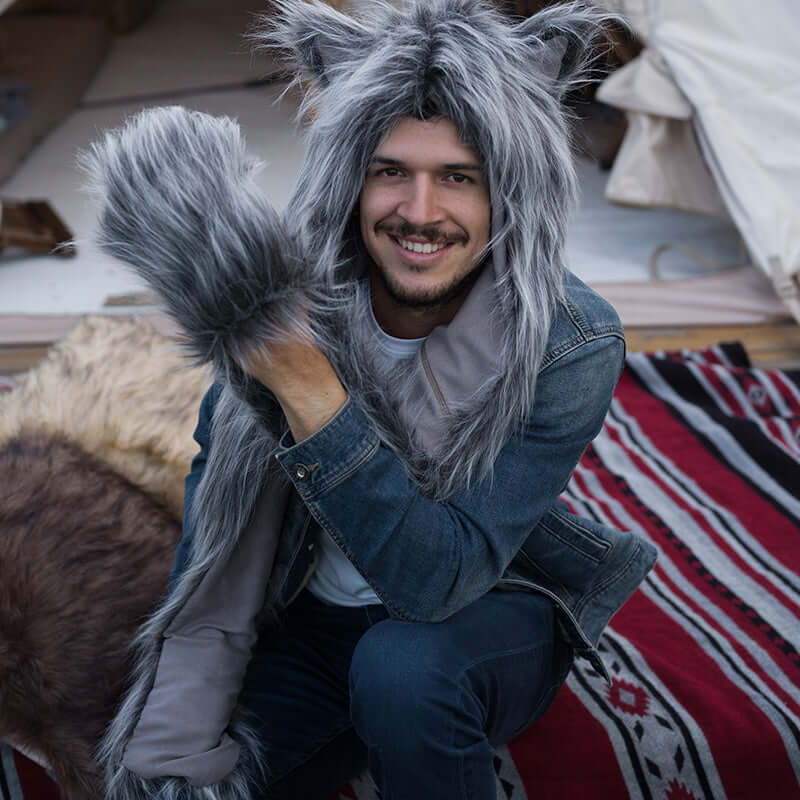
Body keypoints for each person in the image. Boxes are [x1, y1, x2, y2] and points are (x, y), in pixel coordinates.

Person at [90, 1, 658, 799]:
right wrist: (170, 752)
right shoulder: (284, 296)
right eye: (392, 171)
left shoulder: (569, 340)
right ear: (351, 178)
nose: (420, 214)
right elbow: (219, 536)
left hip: (485, 614)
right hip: (310, 622)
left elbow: (436, 583)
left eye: (459, 177)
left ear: (510, 192)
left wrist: (307, 383)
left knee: (400, 671)